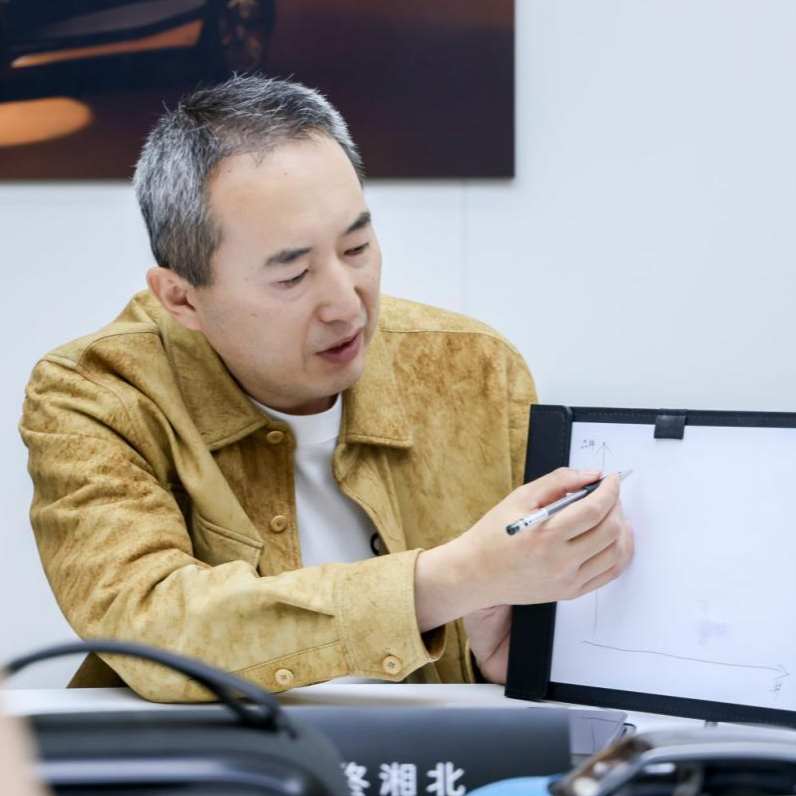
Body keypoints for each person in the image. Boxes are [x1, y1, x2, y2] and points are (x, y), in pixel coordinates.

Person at [19, 76, 633, 702]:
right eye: (292, 275)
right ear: (181, 298)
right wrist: (453, 578)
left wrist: (502, 660)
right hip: (225, 756)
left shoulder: (474, 368)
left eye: (357, 247)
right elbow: (152, 628)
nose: (346, 305)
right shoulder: (95, 394)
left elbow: (529, 634)